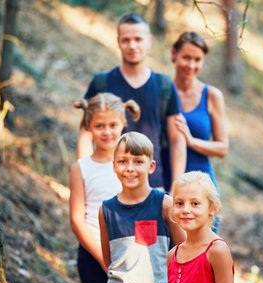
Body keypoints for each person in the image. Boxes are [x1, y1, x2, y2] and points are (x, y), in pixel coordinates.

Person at [78, 13, 186, 191]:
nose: (132, 45)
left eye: (138, 39)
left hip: (154, 185)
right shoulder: (102, 83)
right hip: (108, 186)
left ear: (149, 41)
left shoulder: (164, 85)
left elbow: (177, 142)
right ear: (118, 41)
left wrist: (176, 187)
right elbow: (86, 134)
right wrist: (87, 180)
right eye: (126, 40)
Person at [69, 93, 140, 283]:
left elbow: (143, 210)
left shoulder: (133, 163)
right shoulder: (81, 168)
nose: (107, 132)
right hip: (93, 255)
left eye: (112, 125)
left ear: (123, 123)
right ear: (88, 126)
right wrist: (103, 259)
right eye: (100, 126)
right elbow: (76, 220)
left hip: (131, 254)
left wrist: (145, 253)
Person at [99, 132, 186, 283]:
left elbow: (184, 251)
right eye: (123, 161)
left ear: (151, 166)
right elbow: (108, 259)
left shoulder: (165, 204)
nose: (130, 168)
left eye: (138, 162)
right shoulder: (106, 210)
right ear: (114, 166)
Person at [170, 31, 229, 192]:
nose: (191, 65)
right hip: (166, 181)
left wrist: (191, 141)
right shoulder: (162, 92)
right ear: (174, 54)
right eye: (186, 57)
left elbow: (222, 148)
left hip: (201, 185)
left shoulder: (211, 95)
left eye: (197, 60)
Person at [167, 171, 234, 283]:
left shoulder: (217, 251)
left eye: (195, 203)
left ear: (212, 208)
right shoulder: (172, 255)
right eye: (179, 203)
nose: (186, 209)